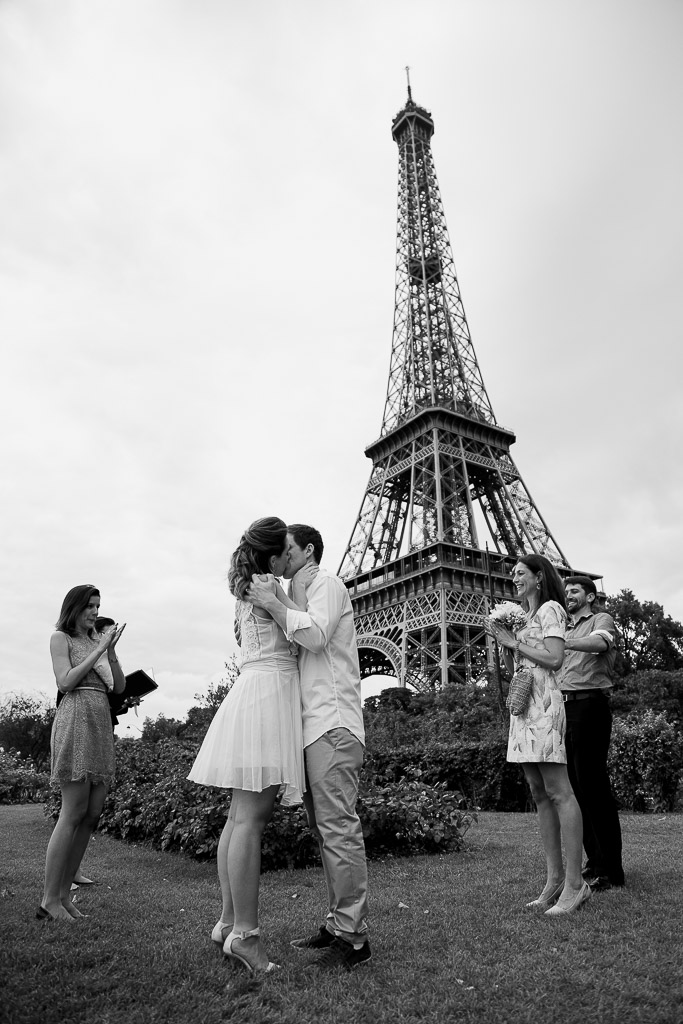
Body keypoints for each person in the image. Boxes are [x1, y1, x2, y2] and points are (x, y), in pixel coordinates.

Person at [188, 517, 309, 974]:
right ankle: (246, 935)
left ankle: (227, 923)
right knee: (251, 822)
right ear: (274, 555)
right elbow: (303, 636)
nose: (289, 559)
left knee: (239, 818)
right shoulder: (270, 587)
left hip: (251, 694)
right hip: (268, 698)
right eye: (286, 551)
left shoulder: (244, 590)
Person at [248, 524, 371, 971]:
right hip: (313, 728)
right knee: (326, 832)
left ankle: (354, 938)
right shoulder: (298, 596)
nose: (281, 560)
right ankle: (339, 923)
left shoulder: (329, 585)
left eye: (287, 551)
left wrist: (275, 605)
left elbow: (316, 636)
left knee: (338, 830)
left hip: (333, 724)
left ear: (308, 551)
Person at [485, 554, 590, 916]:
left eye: (520, 573)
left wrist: (515, 644)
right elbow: (522, 663)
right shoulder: (525, 616)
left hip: (544, 702)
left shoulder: (550, 610)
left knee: (559, 791)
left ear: (538, 577)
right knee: (538, 791)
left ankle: (576, 884)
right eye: (513, 573)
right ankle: (554, 879)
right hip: (523, 705)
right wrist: (506, 644)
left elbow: (556, 658)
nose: (514, 578)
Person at [40, 586, 125, 921]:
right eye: (89, 606)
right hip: (75, 720)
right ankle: (49, 899)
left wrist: (112, 652)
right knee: (72, 811)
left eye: (98, 606)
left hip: (100, 722)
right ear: (74, 607)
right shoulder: (61, 639)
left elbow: (118, 688)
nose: (94, 612)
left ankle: (63, 896)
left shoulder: (97, 641)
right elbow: (65, 682)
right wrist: (98, 649)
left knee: (91, 812)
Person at [560, 576, 624, 890]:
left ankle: (612, 870)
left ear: (590, 596)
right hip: (565, 710)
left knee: (594, 787)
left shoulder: (601, 619)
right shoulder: (564, 627)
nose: (568, 595)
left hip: (590, 706)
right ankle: (595, 863)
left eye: (574, 591)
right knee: (575, 790)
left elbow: (601, 642)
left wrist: (562, 642)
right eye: (566, 591)